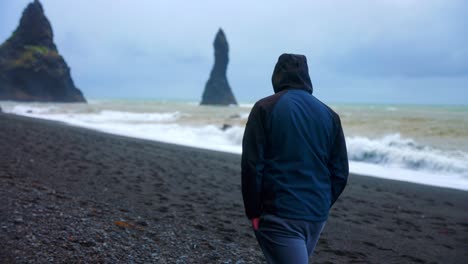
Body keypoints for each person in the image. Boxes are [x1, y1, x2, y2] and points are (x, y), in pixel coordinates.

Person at [241, 53, 349, 263]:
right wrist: (322, 203)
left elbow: (252, 166)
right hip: (316, 215)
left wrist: (253, 211)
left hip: (279, 214)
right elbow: (340, 173)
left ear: (276, 75)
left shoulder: (265, 108)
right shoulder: (329, 115)